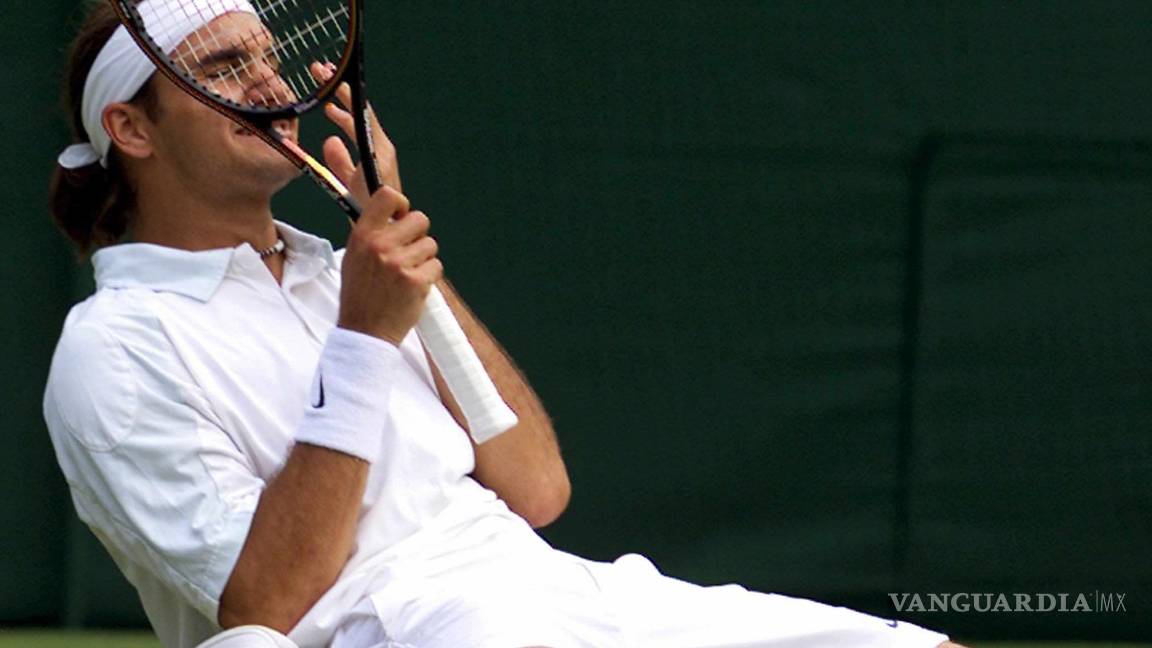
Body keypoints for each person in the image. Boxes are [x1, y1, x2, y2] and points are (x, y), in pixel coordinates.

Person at [44, 2, 964, 647]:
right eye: (221, 69)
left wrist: (395, 244)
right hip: (411, 627)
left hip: (559, 591)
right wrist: (365, 341)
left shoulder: (340, 270)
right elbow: (264, 607)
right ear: (131, 128)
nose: (267, 84)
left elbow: (537, 489)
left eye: (265, 55)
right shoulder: (114, 350)